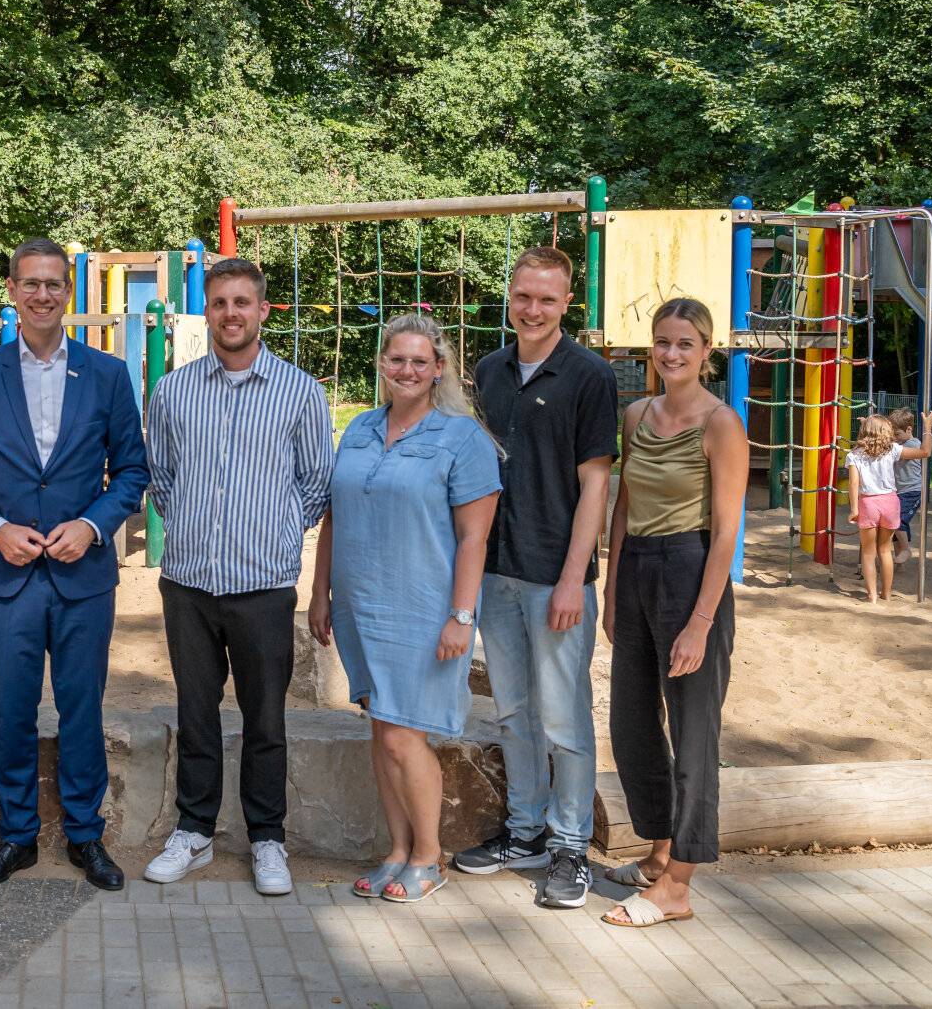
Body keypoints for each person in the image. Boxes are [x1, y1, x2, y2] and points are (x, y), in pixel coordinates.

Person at [0, 237, 149, 892]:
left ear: (68, 293)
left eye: (55, 284)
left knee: (83, 709)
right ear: (12, 290)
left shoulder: (107, 375)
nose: (45, 294)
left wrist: (93, 524)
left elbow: (132, 469)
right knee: (12, 712)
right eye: (32, 283)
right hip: (6, 577)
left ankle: (86, 835)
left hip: (83, 577)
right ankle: (17, 837)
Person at [141, 258, 334, 895]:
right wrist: (199, 529)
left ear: (263, 311)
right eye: (219, 302)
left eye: (242, 302)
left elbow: (315, 483)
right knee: (196, 713)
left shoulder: (300, 391)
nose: (230, 313)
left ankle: (267, 838)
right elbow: (161, 476)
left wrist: (275, 533)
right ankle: (194, 831)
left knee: (266, 720)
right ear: (209, 312)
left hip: (263, 586)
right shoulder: (173, 391)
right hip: (190, 582)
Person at [309, 314, 501, 903]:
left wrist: (461, 616)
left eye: (420, 361)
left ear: (438, 368)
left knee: (402, 739)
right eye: (397, 360)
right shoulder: (362, 428)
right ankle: (397, 850)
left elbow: (475, 538)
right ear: (382, 365)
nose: (408, 370)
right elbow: (334, 515)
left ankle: (429, 856)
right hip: (360, 608)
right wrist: (319, 593)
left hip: (423, 613)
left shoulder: (461, 439)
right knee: (380, 731)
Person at [453, 247, 617, 912]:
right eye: (523, 295)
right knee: (514, 710)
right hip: (497, 571)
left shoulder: (589, 374)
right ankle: (526, 831)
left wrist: (575, 577)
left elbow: (596, 483)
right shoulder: (489, 371)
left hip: (557, 577)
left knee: (565, 717)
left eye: (546, 299)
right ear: (510, 294)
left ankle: (571, 844)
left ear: (566, 302)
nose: (532, 308)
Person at [600, 298, 747, 928]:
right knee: (631, 722)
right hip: (635, 569)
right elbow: (624, 504)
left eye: (685, 343)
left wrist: (700, 621)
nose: (672, 353)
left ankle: (679, 886)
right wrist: (610, 588)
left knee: (692, 733)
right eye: (662, 342)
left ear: (705, 351)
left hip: (691, 573)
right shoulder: (636, 414)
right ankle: (658, 851)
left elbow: (726, 533)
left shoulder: (721, 424)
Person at [847, 411, 932, 602]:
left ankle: (872, 596)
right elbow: (925, 452)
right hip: (890, 502)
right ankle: (886, 594)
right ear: (886, 432)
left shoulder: (854, 455)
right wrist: (927, 429)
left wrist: (854, 508)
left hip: (868, 503)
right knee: (885, 550)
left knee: (869, 554)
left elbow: (854, 483)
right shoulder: (893, 449)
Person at [886, 408, 926, 566]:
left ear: (909, 429)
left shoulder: (913, 444)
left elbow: (895, 452)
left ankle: (906, 549)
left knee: (899, 520)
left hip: (913, 491)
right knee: (894, 524)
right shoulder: (898, 444)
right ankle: (900, 556)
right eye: (892, 435)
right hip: (899, 491)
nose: (894, 438)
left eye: (897, 434)